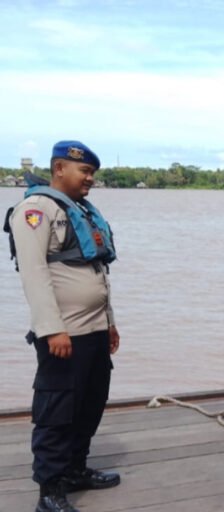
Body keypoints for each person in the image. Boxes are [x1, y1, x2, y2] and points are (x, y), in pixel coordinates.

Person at [7, 141, 121, 512]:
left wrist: (110, 323)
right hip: (64, 333)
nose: (90, 179)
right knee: (56, 411)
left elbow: (96, 272)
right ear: (60, 168)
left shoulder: (81, 210)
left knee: (90, 404)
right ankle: (50, 491)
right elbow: (35, 273)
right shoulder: (35, 210)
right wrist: (51, 328)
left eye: (91, 173)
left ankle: (75, 469)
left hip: (94, 331)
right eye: (84, 172)